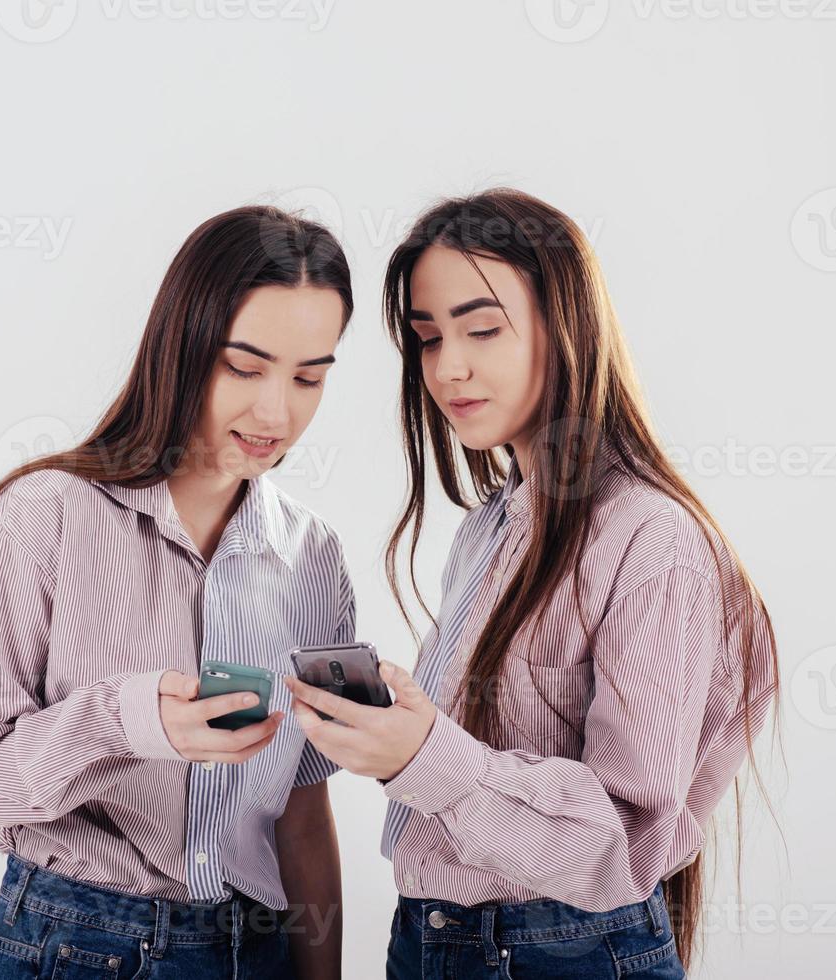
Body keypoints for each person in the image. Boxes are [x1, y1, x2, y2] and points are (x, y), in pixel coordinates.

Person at [284, 189, 779, 979]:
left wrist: (424, 754)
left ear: (568, 325)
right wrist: (398, 737)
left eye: (482, 328)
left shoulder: (653, 542)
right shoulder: (491, 527)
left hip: (557, 952)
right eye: (427, 337)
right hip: (433, 943)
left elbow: (622, 838)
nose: (449, 366)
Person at [0, 205, 355, 980]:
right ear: (183, 344)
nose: (276, 411)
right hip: (75, 942)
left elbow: (300, 813)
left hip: (255, 950)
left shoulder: (314, 557)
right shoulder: (44, 515)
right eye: (246, 367)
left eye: (308, 377)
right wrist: (126, 719)